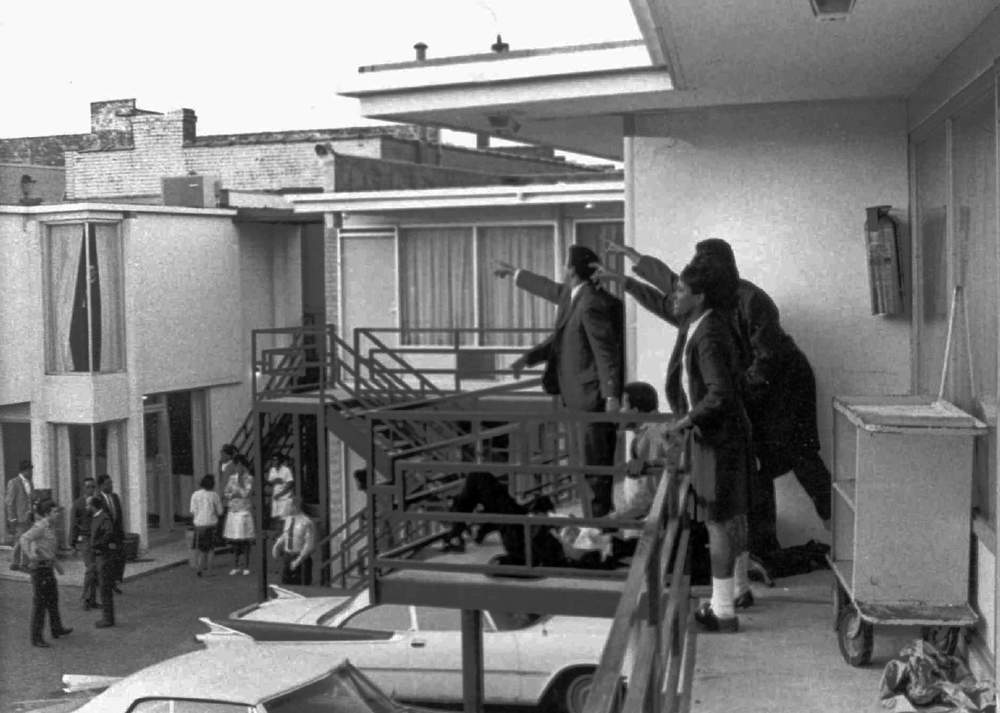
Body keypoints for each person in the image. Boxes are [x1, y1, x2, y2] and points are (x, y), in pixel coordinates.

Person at [601, 238, 832, 557]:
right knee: (755, 468)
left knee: (802, 460)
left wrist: (733, 396)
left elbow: (768, 358)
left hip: (785, 389)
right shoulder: (706, 300)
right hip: (745, 387)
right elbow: (674, 288)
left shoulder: (752, 300)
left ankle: (841, 535)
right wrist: (632, 266)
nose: (682, 291)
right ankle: (762, 551)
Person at [661, 260, 752, 632]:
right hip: (726, 437)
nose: (674, 296)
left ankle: (722, 611)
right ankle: (738, 590)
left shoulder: (709, 333)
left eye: (681, 291)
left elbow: (719, 394)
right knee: (732, 517)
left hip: (715, 441)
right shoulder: (706, 323)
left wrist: (685, 421)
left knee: (717, 522)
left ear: (699, 297)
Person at [509, 244, 624, 518]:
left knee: (594, 467)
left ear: (572, 270)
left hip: (590, 398)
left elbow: (605, 351)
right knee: (588, 466)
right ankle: (597, 525)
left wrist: (611, 396)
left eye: (565, 264)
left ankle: (598, 530)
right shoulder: (574, 297)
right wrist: (528, 358)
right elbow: (549, 295)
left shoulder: (590, 303)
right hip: (577, 396)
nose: (562, 268)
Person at [609, 381, 684, 559]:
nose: (620, 412)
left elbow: (681, 460)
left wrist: (649, 464)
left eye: (623, 406)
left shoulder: (656, 430)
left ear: (635, 409)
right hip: (651, 512)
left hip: (663, 516)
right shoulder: (647, 431)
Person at [21, 499, 72, 646]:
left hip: (48, 568)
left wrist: (58, 567)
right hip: (40, 569)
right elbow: (24, 538)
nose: (57, 514)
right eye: (55, 512)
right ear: (46, 513)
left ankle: (57, 629)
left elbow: (48, 549)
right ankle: (36, 638)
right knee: (40, 604)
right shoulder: (40, 526)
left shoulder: (50, 526)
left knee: (53, 600)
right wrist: (31, 555)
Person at [272, 497, 316, 586]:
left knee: (301, 586)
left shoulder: (306, 522)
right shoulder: (288, 519)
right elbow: (286, 534)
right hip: (288, 555)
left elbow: (309, 545)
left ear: (295, 507)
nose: (285, 508)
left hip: (300, 557)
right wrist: (277, 545)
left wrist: (298, 560)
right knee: (286, 584)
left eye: (288, 506)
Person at [223, 455, 255, 576]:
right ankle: (236, 566)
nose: (238, 468)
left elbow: (246, 493)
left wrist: (237, 490)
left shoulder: (249, 478)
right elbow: (226, 492)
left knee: (245, 540)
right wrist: (233, 494)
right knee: (235, 541)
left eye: (240, 465)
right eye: (236, 465)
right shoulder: (232, 478)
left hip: (244, 512)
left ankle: (246, 565)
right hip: (233, 511)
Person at [70, 476, 99, 610]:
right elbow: (73, 524)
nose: (91, 489)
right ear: (83, 488)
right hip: (86, 540)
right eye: (88, 487)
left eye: (93, 487)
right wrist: (73, 543)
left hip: (98, 539)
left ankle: (92, 600)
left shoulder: (98, 502)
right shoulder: (78, 503)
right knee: (91, 568)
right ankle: (85, 598)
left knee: (95, 570)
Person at [90, 495, 118, 627]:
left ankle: (108, 619)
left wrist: (97, 545)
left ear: (94, 506)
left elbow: (108, 534)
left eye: (89, 505)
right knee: (103, 587)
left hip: (104, 556)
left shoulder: (104, 518)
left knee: (105, 587)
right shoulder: (98, 517)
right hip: (100, 555)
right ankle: (107, 617)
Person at [96, 474, 125, 592]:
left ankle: (115, 581)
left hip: (116, 534)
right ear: (101, 485)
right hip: (105, 535)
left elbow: (119, 515)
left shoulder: (115, 497)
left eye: (111, 483)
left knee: (119, 557)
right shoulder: (98, 499)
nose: (111, 485)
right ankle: (106, 583)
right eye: (108, 483)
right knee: (108, 560)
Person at [189, 474, 223, 577]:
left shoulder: (195, 494)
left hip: (199, 525)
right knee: (211, 549)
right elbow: (220, 512)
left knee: (200, 548)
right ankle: (209, 570)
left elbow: (192, 511)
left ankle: (199, 567)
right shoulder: (214, 495)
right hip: (211, 524)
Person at [6, 460, 36, 571]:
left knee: (24, 540)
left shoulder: (30, 483)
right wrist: (12, 518)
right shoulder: (14, 482)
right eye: (30, 470)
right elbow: (10, 502)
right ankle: (20, 563)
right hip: (19, 517)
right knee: (21, 540)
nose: (31, 472)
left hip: (29, 516)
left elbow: (31, 499)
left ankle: (19, 563)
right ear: (25, 470)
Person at [267, 454, 295, 530]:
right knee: (276, 517)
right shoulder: (272, 470)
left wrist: (280, 494)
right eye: (273, 460)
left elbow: (290, 484)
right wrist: (277, 480)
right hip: (276, 497)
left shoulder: (286, 470)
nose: (274, 462)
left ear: (280, 461)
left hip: (284, 497)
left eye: (276, 460)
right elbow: (270, 481)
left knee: (285, 518)